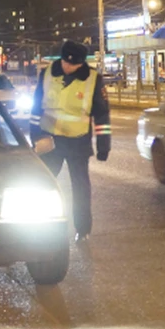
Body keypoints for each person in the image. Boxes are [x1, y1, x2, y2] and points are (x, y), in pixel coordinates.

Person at [29, 41, 111, 243]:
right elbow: (36, 108)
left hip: (78, 142)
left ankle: (82, 229)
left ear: (82, 63)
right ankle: (39, 225)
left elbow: (101, 115)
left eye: (73, 65)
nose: (68, 67)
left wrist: (103, 146)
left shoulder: (93, 79)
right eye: (66, 62)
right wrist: (35, 136)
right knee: (43, 184)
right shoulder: (47, 73)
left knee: (80, 188)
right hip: (50, 141)